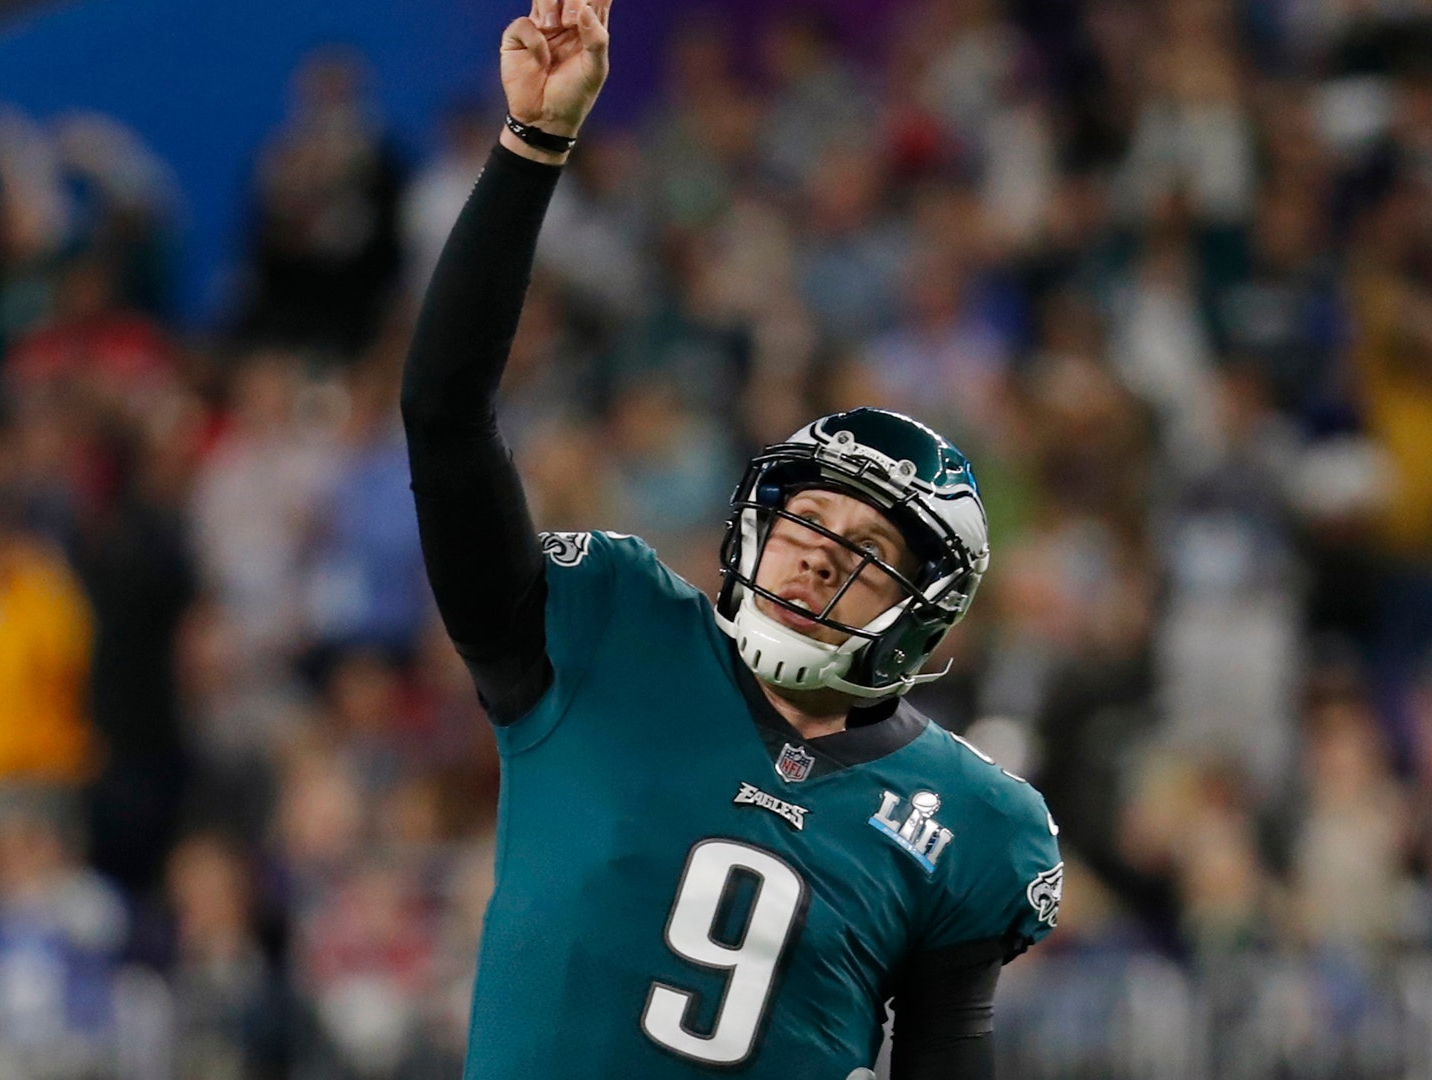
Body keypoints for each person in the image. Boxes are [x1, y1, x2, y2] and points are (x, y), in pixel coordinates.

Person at [399, 1, 1062, 1075]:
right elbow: (442, 412)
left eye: (866, 550)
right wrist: (533, 147)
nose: (816, 554)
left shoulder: (974, 822)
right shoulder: (609, 627)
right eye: (805, 520)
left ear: (924, 609)